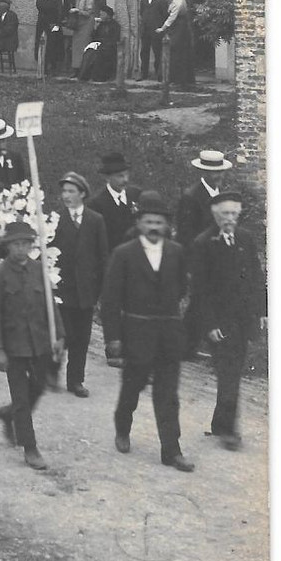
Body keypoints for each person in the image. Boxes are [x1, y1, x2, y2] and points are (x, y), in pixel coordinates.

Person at [101, 190, 194, 472]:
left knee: (168, 394)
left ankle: (171, 450)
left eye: (159, 222)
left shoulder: (176, 252)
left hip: (167, 334)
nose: (154, 227)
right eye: (148, 221)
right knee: (132, 386)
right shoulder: (123, 254)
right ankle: (122, 427)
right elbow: (110, 299)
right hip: (136, 333)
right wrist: (114, 338)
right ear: (139, 223)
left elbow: (180, 289)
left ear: (166, 226)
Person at [189, 192, 267, 450]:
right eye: (225, 214)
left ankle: (220, 423)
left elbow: (257, 275)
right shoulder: (204, 243)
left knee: (232, 371)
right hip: (219, 322)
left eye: (235, 213)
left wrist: (263, 310)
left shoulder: (244, 238)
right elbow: (200, 291)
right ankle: (230, 430)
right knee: (229, 372)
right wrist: (209, 325)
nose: (230, 219)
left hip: (243, 319)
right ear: (215, 214)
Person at [0, 222, 64, 471]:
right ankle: (30, 447)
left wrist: (59, 336)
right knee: (21, 397)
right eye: (16, 244)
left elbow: (51, 306)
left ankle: (9, 415)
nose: (21, 249)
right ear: (8, 246)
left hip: (39, 341)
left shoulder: (38, 269)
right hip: (14, 345)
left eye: (25, 244)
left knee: (38, 388)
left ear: (31, 245)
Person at [50, 171, 108, 397]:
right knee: (62, 334)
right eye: (64, 191)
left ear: (82, 194)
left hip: (85, 290)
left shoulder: (96, 220)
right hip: (61, 289)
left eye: (71, 191)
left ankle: (76, 380)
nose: (66, 196)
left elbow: (102, 257)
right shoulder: (56, 219)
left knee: (82, 338)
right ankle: (51, 372)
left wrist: (99, 291)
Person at [176, 149, 234, 358]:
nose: (218, 176)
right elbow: (186, 234)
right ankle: (191, 346)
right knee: (201, 300)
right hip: (199, 259)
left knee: (202, 301)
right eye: (213, 172)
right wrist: (191, 266)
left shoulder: (221, 195)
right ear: (203, 172)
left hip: (217, 258)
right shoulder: (192, 197)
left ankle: (188, 346)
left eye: (220, 172)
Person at [88, 152, 143, 252]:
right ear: (107, 178)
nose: (125, 180)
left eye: (127, 175)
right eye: (120, 176)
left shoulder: (136, 195)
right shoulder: (97, 205)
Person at [157, 0, 195, 87]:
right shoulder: (175, 0)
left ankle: (179, 79)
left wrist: (163, 28)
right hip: (176, 28)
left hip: (179, 28)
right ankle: (172, 77)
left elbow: (172, 17)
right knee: (173, 51)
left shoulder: (179, 1)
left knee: (176, 51)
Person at [77, 5, 120, 82]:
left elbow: (115, 38)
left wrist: (103, 43)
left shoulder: (115, 25)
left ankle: (99, 77)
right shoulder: (101, 24)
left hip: (109, 47)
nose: (100, 16)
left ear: (107, 15)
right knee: (89, 52)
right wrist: (95, 28)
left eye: (102, 14)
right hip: (99, 44)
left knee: (99, 54)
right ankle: (83, 76)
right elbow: (94, 36)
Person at [34, 0, 66, 76]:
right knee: (40, 43)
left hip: (53, 24)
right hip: (41, 23)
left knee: (53, 45)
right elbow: (39, 7)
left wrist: (56, 25)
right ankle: (42, 66)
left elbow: (59, 13)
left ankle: (52, 68)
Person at [138, 0, 168, 80]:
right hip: (145, 31)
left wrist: (161, 28)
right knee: (144, 52)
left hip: (156, 31)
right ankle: (143, 74)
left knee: (157, 52)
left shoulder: (160, 0)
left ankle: (159, 74)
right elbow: (142, 14)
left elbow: (164, 15)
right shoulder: (143, 0)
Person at [67, 0, 96, 76]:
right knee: (76, 47)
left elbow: (89, 13)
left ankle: (83, 70)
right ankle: (76, 68)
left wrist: (78, 11)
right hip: (79, 25)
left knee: (84, 46)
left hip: (87, 25)